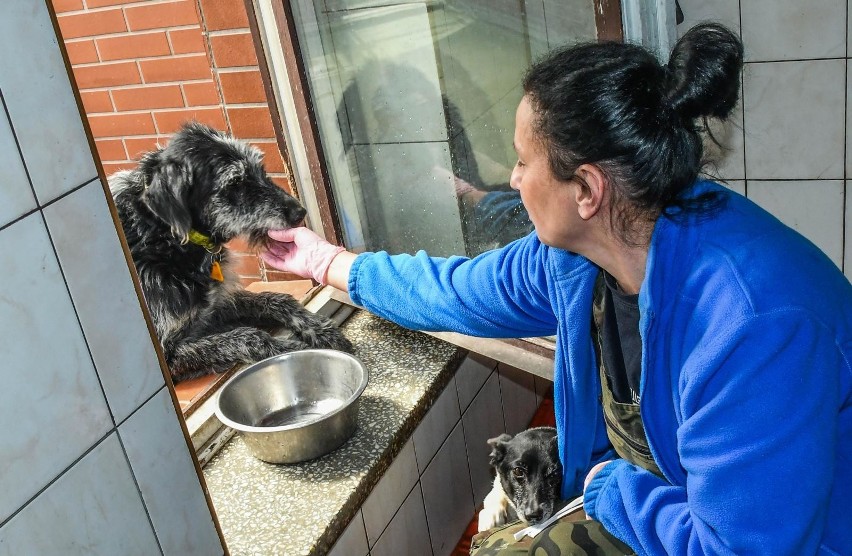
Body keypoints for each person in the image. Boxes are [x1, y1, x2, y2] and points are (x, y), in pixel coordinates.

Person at [261, 23, 852, 555]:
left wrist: (609, 486)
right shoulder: (581, 255)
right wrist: (327, 262)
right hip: (679, 497)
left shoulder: (752, 329)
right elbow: (452, 291)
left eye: (522, 162)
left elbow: (736, 550)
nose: (513, 180)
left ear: (587, 191)